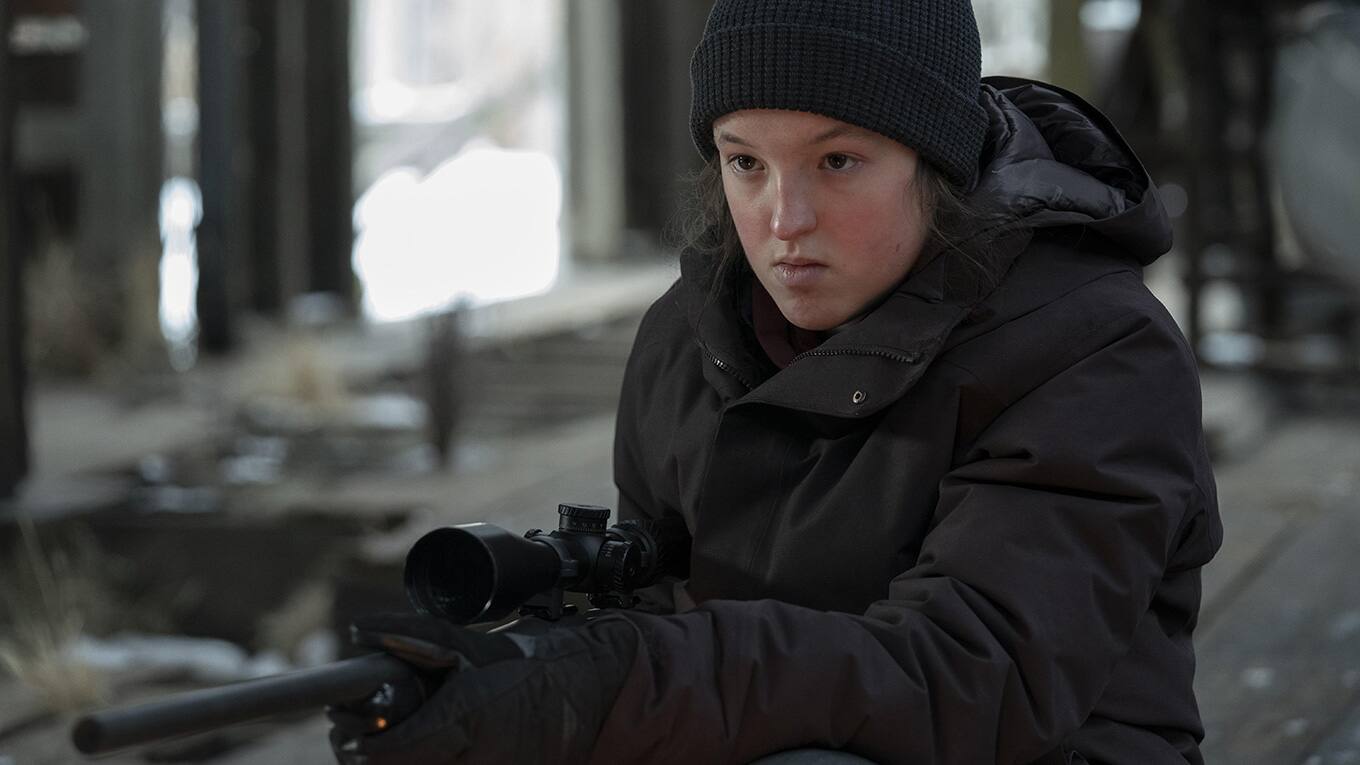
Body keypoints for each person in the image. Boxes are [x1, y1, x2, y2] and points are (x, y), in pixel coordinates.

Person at [327, 0, 1223, 763]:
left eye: (837, 162)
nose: (784, 220)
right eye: (745, 162)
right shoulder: (689, 337)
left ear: (938, 162)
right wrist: (533, 679)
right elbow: (657, 613)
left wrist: (611, 685)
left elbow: (970, 677)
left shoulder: (1095, 350)